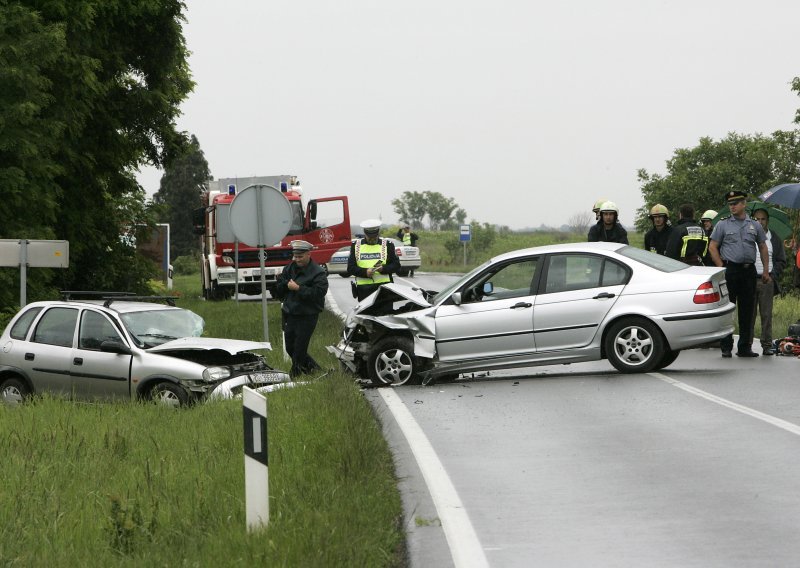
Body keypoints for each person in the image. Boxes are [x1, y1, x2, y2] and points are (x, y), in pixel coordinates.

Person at [708, 190, 770, 358]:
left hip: (748, 271)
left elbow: (763, 246)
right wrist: (721, 265)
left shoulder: (754, 224)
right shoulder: (723, 224)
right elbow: (712, 246)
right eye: (730, 204)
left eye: (735, 203)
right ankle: (726, 346)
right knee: (728, 310)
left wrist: (765, 270)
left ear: (744, 204)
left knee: (747, 310)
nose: (732, 206)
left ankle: (744, 347)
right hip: (731, 270)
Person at [274, 240, 329, 377]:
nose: (297, 259)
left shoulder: (318, 272)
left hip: (308, 315)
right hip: (291, 313)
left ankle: (295, 375)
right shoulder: (289, 268)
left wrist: (299, 288)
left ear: (308, 254)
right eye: (295, 256)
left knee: (299, 348)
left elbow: (318, 293)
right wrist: (285, 285)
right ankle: (317, 372)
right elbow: (280, 284)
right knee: (290, 347)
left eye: (300, 257)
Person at [749, 206, 787, 355]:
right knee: (749, 314)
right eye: (757, 219)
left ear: (767, 221)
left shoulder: (774, 238)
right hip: (750, 280)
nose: (760, 221)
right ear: (753, 220)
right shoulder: (748, 237)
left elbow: (781, 260)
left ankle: (766, 345)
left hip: (767, 280)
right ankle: (747, 344)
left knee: (766, 314)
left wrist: (772, 275)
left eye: (763, 219)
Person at [348, 219, 401, 303]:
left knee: (385, 315)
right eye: (370, 237)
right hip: (364, 291)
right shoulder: (356, 246)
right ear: (365, 233)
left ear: (378, 233)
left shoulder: (388, 245)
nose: (372, 239)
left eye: (374, 237)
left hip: (384, 290)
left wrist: (383, 269)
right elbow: (350, 268)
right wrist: (365, 272)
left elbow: (396, 265)